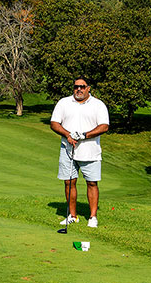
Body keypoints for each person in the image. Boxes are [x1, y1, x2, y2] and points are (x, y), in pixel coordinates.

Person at [50, 76, 109, 228]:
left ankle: (93, 217)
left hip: (90, 151)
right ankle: (72, 216)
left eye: (82, 87)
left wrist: (84, 135)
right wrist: (67, 135)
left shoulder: (98, 105)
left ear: (88, 88)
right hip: (68, 150)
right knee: (69, 182)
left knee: (92, 183)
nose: (79, 89)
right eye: (76, 86)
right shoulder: (64, 102)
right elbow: (54, 123)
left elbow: (104, 126)